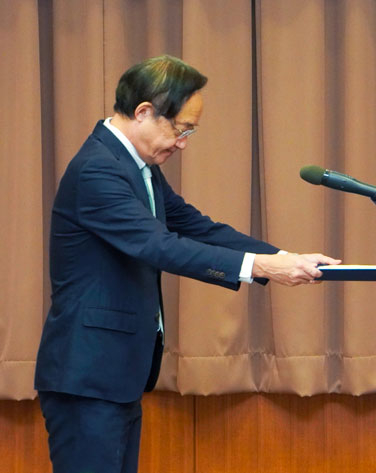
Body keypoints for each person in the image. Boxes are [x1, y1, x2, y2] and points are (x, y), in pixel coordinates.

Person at [34, 55, 340, 473]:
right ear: (144, 112)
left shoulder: (135, 166)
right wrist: (263, 269)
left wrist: (283, 257)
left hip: (115, 374)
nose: (183, 143)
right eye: (180, 129)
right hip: (87, 376)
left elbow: (196, 227)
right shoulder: (97, 170)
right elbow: (160, 246)